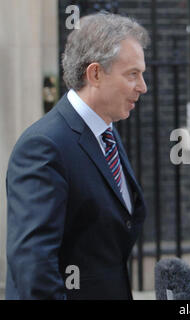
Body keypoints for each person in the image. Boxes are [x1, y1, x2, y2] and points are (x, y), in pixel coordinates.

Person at [5, 13, 149, 299]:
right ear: (95, 73)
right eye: (132, 74)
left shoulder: (106, 132)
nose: (143, 87)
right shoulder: (44, 146)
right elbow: (35, 268)